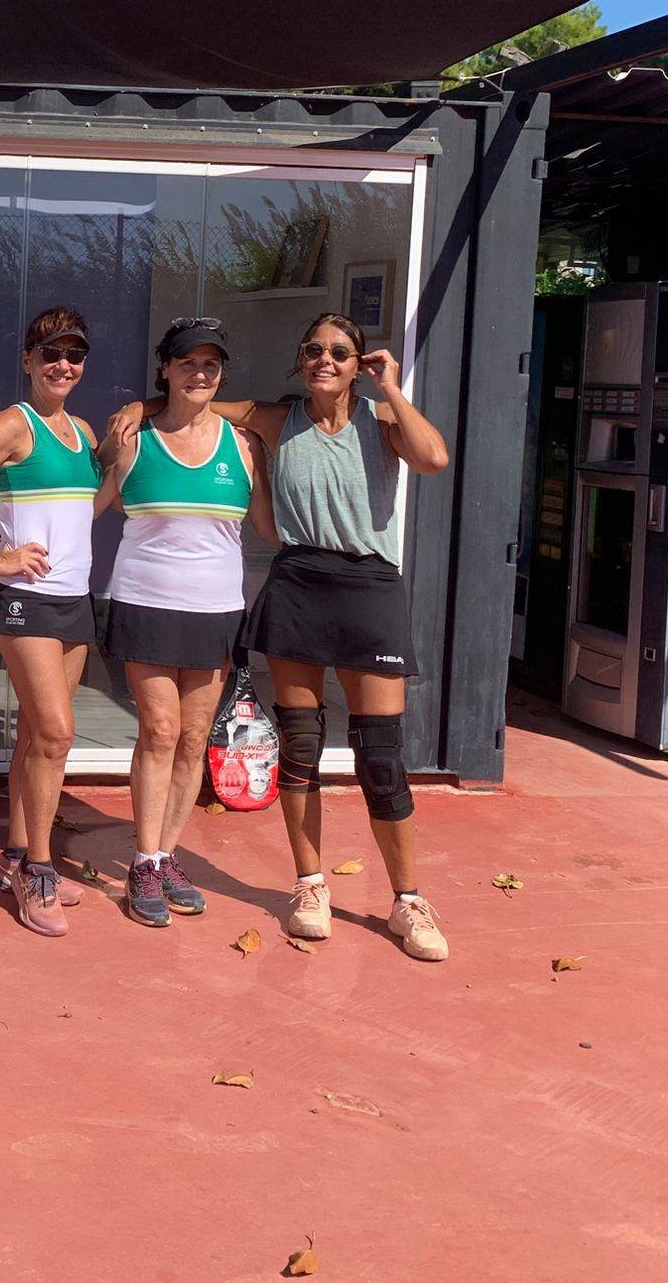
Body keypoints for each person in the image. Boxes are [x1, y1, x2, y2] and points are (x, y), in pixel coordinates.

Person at [235, 314, 452, 960]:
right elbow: (196, 405)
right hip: (298, 581)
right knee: (300, 747)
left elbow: (434, 458)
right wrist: (141, 407)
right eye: (313, 350)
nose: (323, 360)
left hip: (369, 588)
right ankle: (309, 887)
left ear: (360, 363)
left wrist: (392, 390)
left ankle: (407, 900)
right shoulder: (276, 419)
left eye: (338, 352)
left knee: (380, 756)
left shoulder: (381, 424)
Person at [0, 306, 105, 936]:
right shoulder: (14, 423)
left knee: (36, 735)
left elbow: (84, 505)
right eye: (50, 353)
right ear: (28, 360)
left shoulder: (83, 432)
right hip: (23, 601)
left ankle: (12, 852)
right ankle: (39, 868)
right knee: (57, 735)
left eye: (74, 354)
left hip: (74, 599)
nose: (63, 364)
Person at [99, 317, 274, 929]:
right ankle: (143, 861)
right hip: (144, 603)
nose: (199, 373)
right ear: (165, 370)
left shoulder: (245, 446)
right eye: (187, 363)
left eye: (210, 364)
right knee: (160, 731)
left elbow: (272, 529)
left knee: (195, 738)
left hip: (216, 610)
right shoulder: (132, 438)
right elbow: (81, 508)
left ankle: (166, 855)